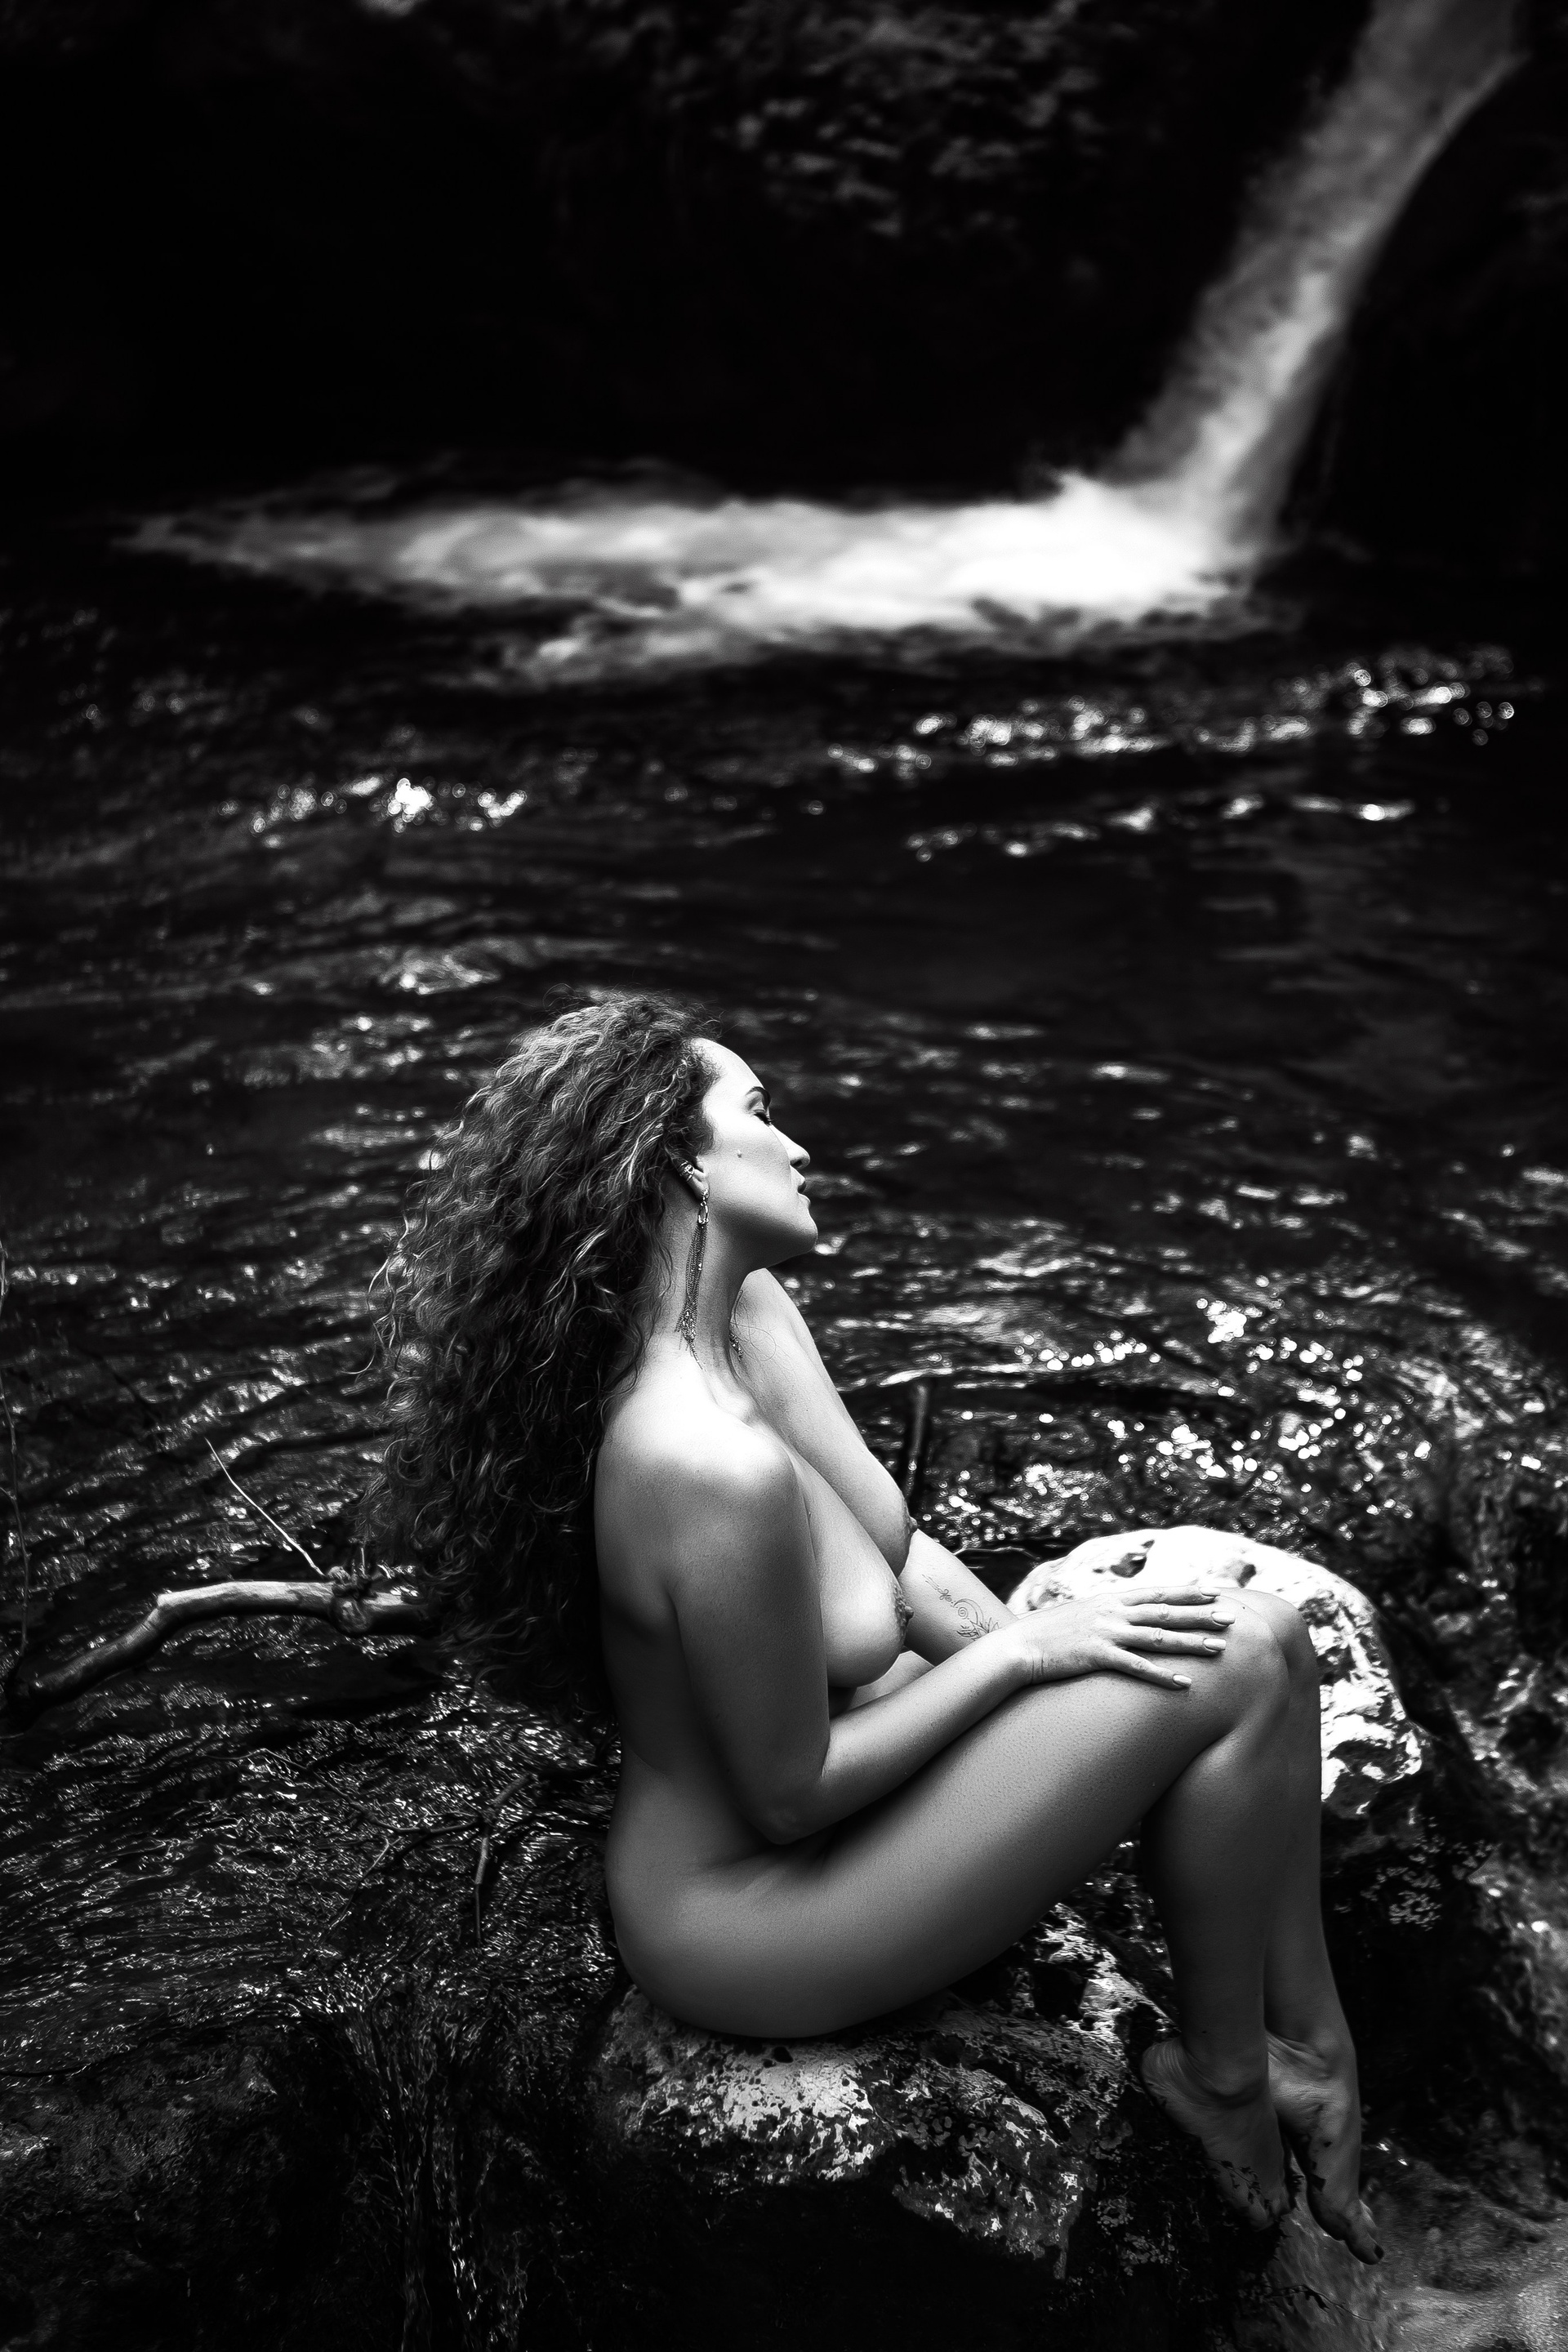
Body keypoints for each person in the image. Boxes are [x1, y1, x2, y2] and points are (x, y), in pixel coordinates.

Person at [368, 990, 1379, 2262]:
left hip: (844, 1800)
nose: (797, 1145)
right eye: (761, 1111)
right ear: (683, 1162)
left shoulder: (746, 1321)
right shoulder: (698, 1459)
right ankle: (1228, 2078)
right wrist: (1025, 1659)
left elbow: (900, 1564)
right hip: (748, 1913)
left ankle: (1308, 2058)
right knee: (1234, 1659)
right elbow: (790, 1795)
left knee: (1262, 1636)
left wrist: (1081, 1692)